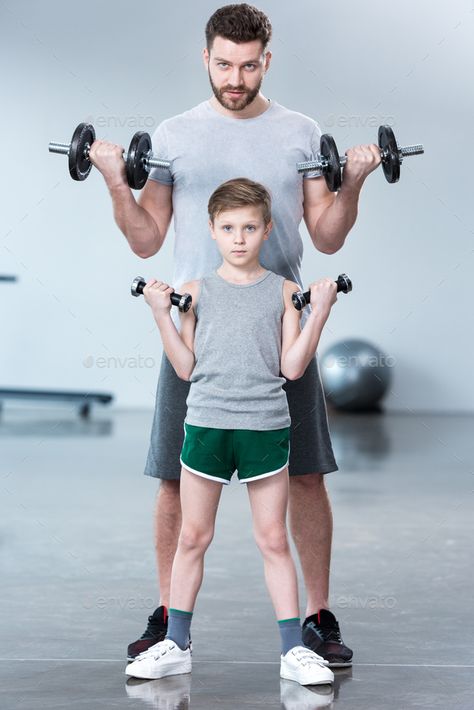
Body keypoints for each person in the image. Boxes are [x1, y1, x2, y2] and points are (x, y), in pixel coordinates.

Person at [89, 3, 381, 666]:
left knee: (306, 476)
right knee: (173, 478)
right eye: (224, 64)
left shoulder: (300, 133)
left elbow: (327, 233)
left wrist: (355, 181)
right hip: (198, 329)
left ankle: (317, 619)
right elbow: (145, 242)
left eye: (249, 65)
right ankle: (170, 619)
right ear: (206, 58)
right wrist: (114, 179)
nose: (236, 77)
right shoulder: (173, 135)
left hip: (279, 326)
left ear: (266, 62)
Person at [126, 177, 338, 686]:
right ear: (212, 231)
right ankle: (175, 643)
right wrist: (161, 315)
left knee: (272, 540)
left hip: (264, 428)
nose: (239, 237)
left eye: (249, 227)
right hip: (205, 427)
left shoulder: (286, 293)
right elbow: (185, 367)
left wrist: (320, 312)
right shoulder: (195, 293)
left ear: (268, 230)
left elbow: (292, 367)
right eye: (228, 227)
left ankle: (294, 652)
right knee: (193, 537)